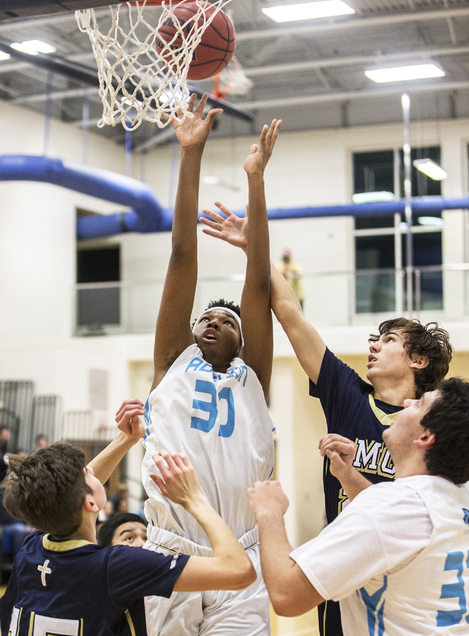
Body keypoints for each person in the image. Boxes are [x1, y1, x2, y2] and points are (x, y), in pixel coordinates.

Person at [199, 206, 453, 635]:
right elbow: (290, 313)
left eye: (388, 340)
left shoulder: (436, 423)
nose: (374, 345)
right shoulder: (348, 392)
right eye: (375, 338)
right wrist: (253, 250)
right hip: (343, 564)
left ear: (418, 360)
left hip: (402, 576)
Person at [140, 93, 281, 636]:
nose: (215, 319)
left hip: (240, 552)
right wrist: (190, 153)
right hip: (171, 549)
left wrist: (255, 180)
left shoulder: (254, 378)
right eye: (207, 316)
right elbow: (182, 253)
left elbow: (261, 284)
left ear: (243, 342)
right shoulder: (171, 360)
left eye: (229, 320)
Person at [0, 398, 255, 636]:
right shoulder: (116, 566)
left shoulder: (31, 551)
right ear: (90, 502)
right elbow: (238, 570)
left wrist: (126, 439)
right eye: (87, 472)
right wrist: (194, 499)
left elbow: (67, 498)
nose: (93, 471)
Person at [248, 376, 469, 635]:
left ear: (426, 435)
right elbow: (397, 531)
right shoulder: (466, 496)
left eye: (418, 404)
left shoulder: (391, 507)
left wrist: (269, 512)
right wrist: (349, 476)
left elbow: (286, 594)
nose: (406, 403)